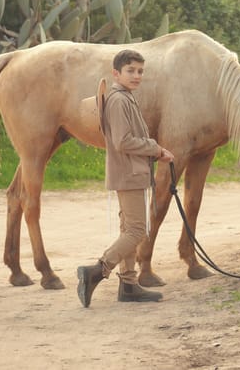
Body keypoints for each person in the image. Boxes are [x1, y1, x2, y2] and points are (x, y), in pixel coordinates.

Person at [77, 49, 175, 308]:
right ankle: (97, 270)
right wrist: (155, 149)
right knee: (137, 230)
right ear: (116, 73)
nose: (137, 75)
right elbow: (122, 141)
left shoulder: (126, 98)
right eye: (131, 71)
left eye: (140, 71)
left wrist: (154, 152)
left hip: (132, 172)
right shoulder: (120, 100)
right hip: (128, 173)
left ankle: (129, 284)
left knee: (128, 228)